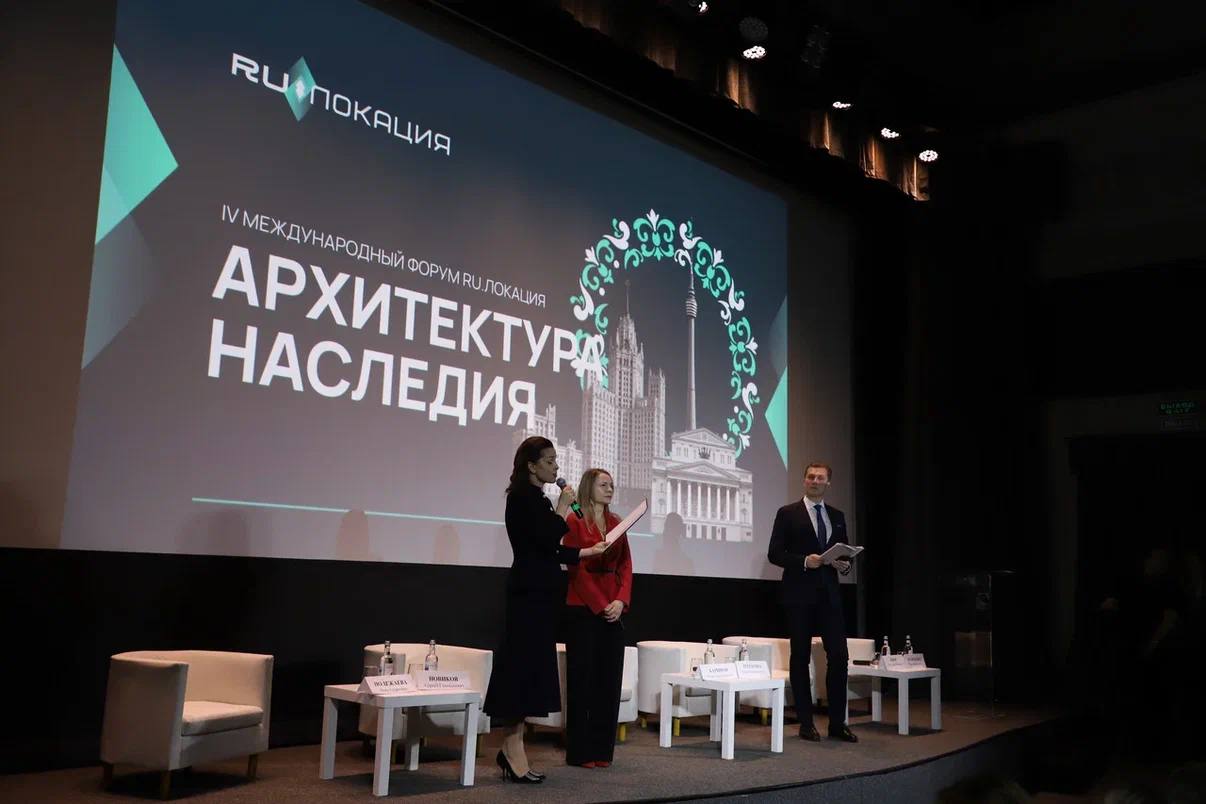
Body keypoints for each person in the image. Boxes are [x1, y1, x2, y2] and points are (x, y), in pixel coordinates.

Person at [484, 437, 608, 783]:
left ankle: (512, 747)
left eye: (555, 461)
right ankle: (512, 748)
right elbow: (544, 538)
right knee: (520, 669)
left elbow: (550, 550)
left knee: (531, 670)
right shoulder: (521, 498)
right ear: (531, 465)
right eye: (550, 461)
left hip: (541, 596)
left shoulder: (538, 498)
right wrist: (563, 507)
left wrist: (587, 552)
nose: (556, 467)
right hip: (527, 596)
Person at [766, 462, 858, 743]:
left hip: (830, 597)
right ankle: (806, 723)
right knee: (800, 657)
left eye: (820, 478)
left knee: (839, 656)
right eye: (810, 477)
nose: (815, 481)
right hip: (799, 595)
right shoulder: (787, 513)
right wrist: (805, 561)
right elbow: (775, 554)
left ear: (828, 482)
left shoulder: (837, 516)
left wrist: (845, 564)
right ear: (804, 480)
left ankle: (837, 723)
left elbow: (844, 552)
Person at [562, 468, 633, 768]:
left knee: (608, 681)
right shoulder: (574, 520)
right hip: (583, 608)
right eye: (604, 484)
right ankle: (580, 752)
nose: (610, 489)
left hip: (613, 609)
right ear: (589, 487)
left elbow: (626, 565)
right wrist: (601, 604)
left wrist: (620, 600)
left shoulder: (617, 522)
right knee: (583, 681)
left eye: (612, 485)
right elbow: (575, 568)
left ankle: (602, 751)